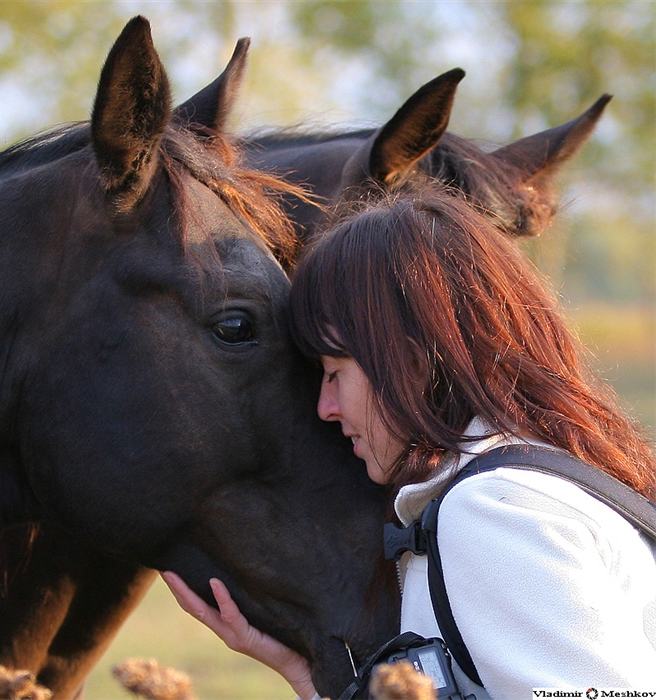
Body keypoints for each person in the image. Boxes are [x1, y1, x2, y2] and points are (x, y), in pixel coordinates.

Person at [161, 185, 656, 699]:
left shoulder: (492, 512)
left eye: (335, 373)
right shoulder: (527, 486)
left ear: (412, 366)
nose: (325, 409)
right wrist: (310, 680)